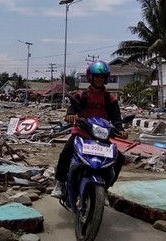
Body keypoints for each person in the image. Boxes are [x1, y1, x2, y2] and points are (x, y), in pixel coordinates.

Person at [51, 61, 128, 198]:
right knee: (66, 152)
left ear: (106, 78)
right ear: (90, 77)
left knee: (119, 158)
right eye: (96, 76)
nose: (99, 79)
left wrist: (120, 129)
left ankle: (106, 187)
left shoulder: (110, 99)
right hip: (81, 134)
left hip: (101, 137)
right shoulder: (82, 96)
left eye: (102, 77)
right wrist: (70, 115)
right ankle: (60, 183)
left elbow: (116, 118)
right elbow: (72, 108)